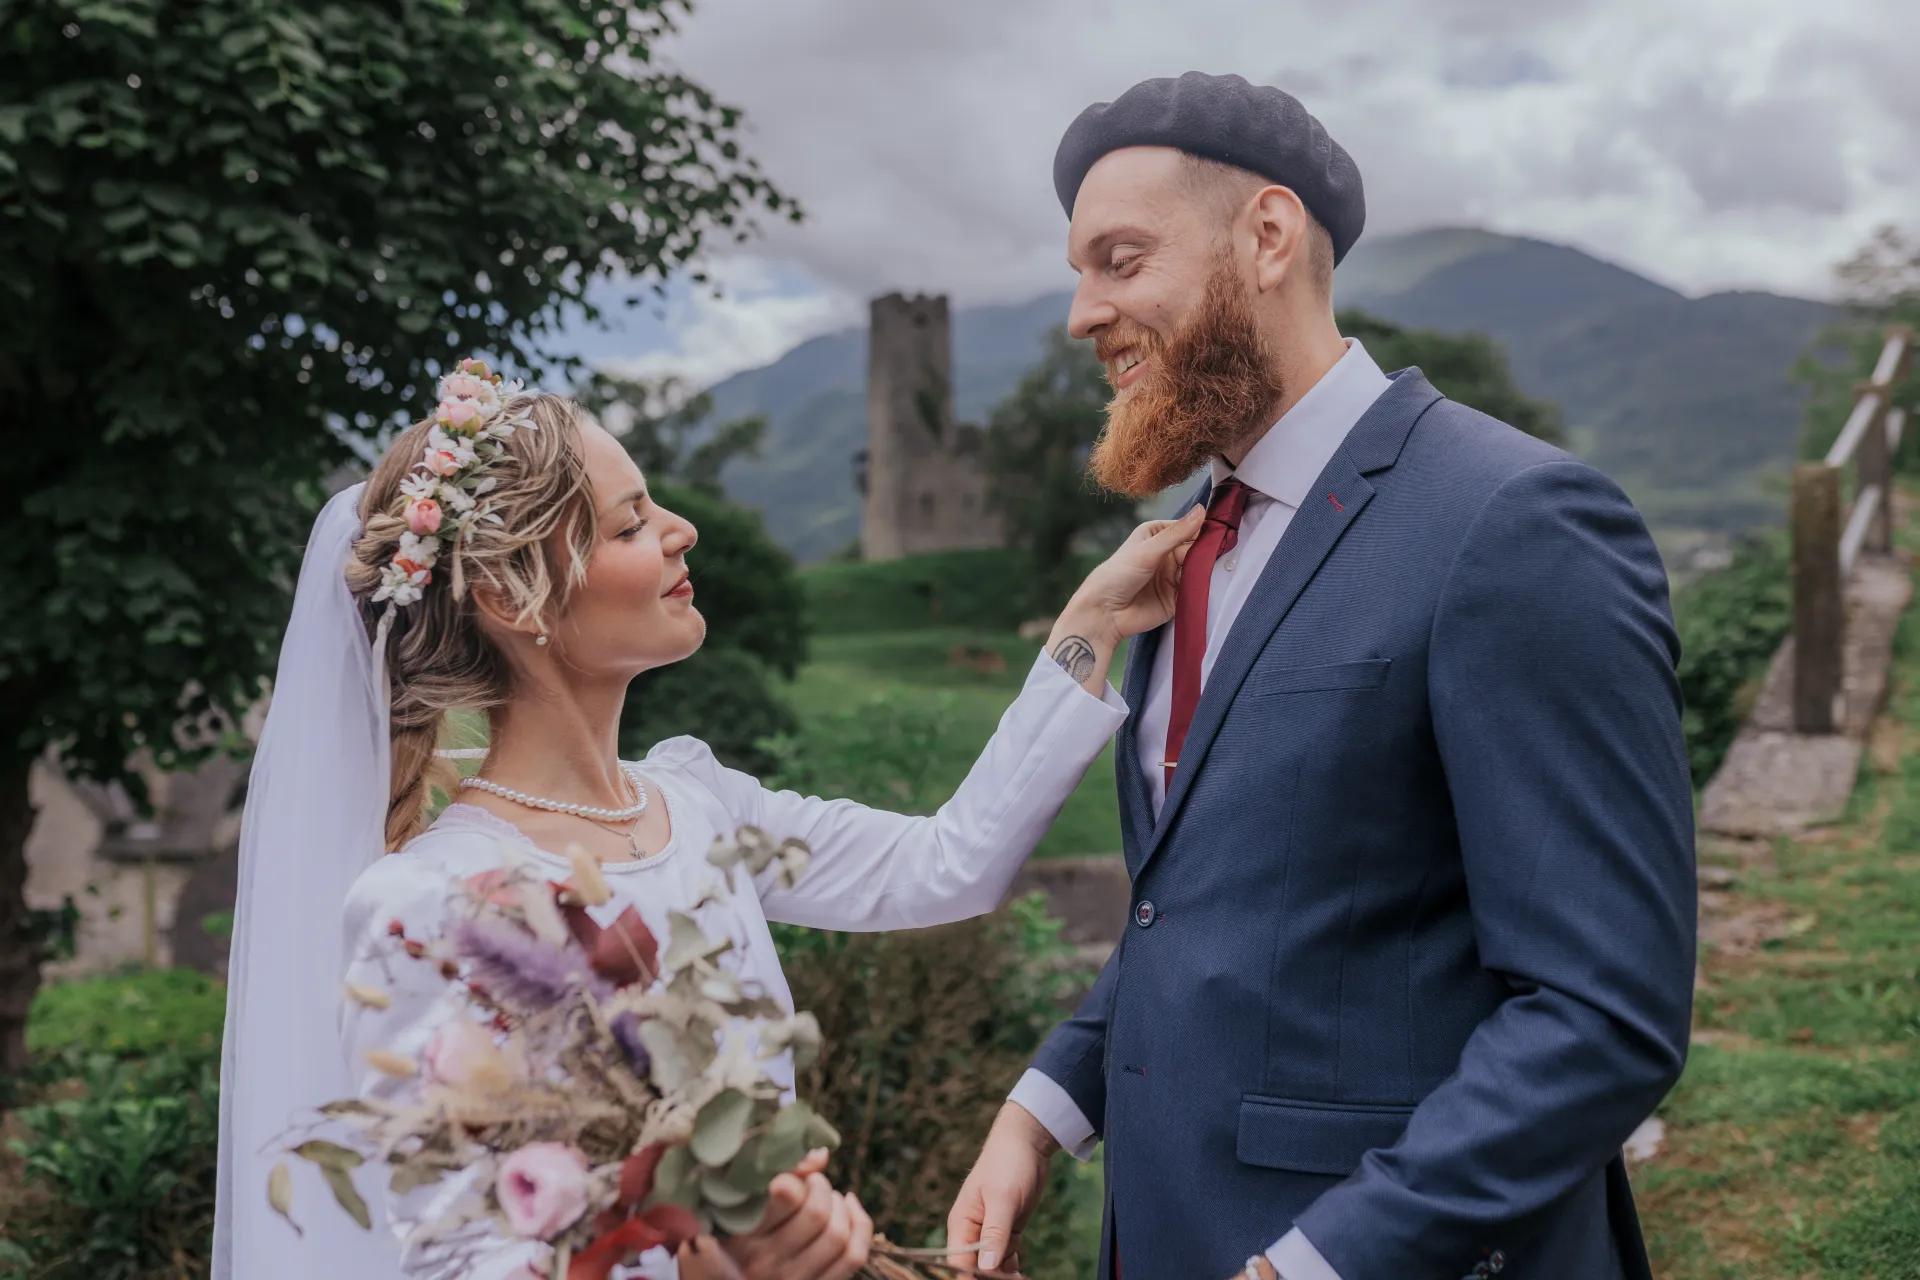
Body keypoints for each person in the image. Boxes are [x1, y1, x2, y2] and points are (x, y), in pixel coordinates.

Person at [213, 365, 1205, 1280]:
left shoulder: (696, 799)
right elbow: (454, 1256)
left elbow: (949, 865)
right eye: (632, 522)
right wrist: (708, 1265)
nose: (682, 529)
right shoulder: (429, 904)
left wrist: (1088, 626)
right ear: (511, 594)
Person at [946, 72, 1697, 1280]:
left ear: (1269, 234)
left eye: (1121, 260)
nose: (1084, 314)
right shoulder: (1193, 540)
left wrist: (1322, 1260)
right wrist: (1046, 1101)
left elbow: (1602, 1012)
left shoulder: (1515, 521)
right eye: (1080, 272)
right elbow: (1210, 896)